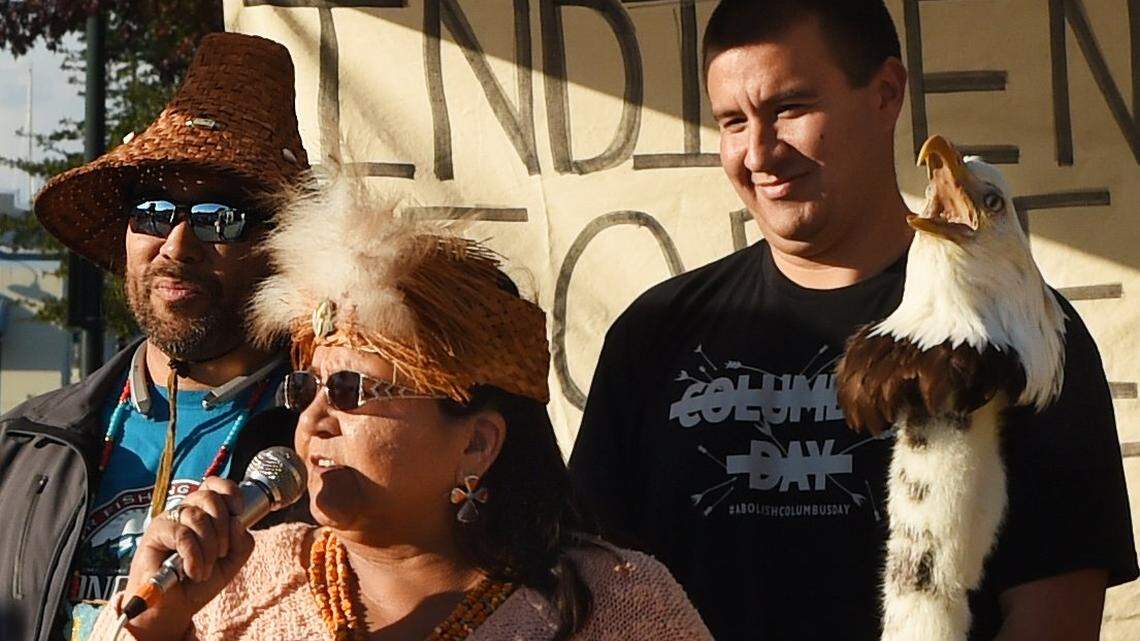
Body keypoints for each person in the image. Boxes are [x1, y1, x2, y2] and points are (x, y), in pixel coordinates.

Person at [568, 2, 1138, 640]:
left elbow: (1054, 612)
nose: (759, 152)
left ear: (886, 94)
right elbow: (594, 595)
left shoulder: (1021, 328)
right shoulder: (654, 334)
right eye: (733, 121)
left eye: (790, 109)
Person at [82, 168, 714, 641]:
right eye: (306, 389)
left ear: (477, 443)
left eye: (352, 391)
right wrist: (156, 627)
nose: (313, 422)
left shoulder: (617, 602)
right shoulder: (240, 576)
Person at [0, 32, 311, 641]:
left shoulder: (326, 448)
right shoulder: (26, 444)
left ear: (281, 247)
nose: (177, 245)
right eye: (153, 212)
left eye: (219, 218)